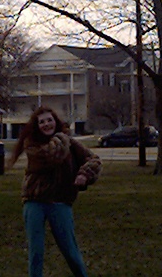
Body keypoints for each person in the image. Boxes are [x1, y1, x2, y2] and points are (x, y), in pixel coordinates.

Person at [7, 105, 102, 277]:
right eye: (42, 122)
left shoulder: (69, 142)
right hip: (35, 202)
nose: (46, 124)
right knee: (36, 252)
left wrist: (84, 174)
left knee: (70, 251)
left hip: (60, 202)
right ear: (37, 126)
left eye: (49, 120)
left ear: (55, 121)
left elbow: (94, 159)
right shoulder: (33, 145)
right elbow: (50, 156)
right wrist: (64, 138)